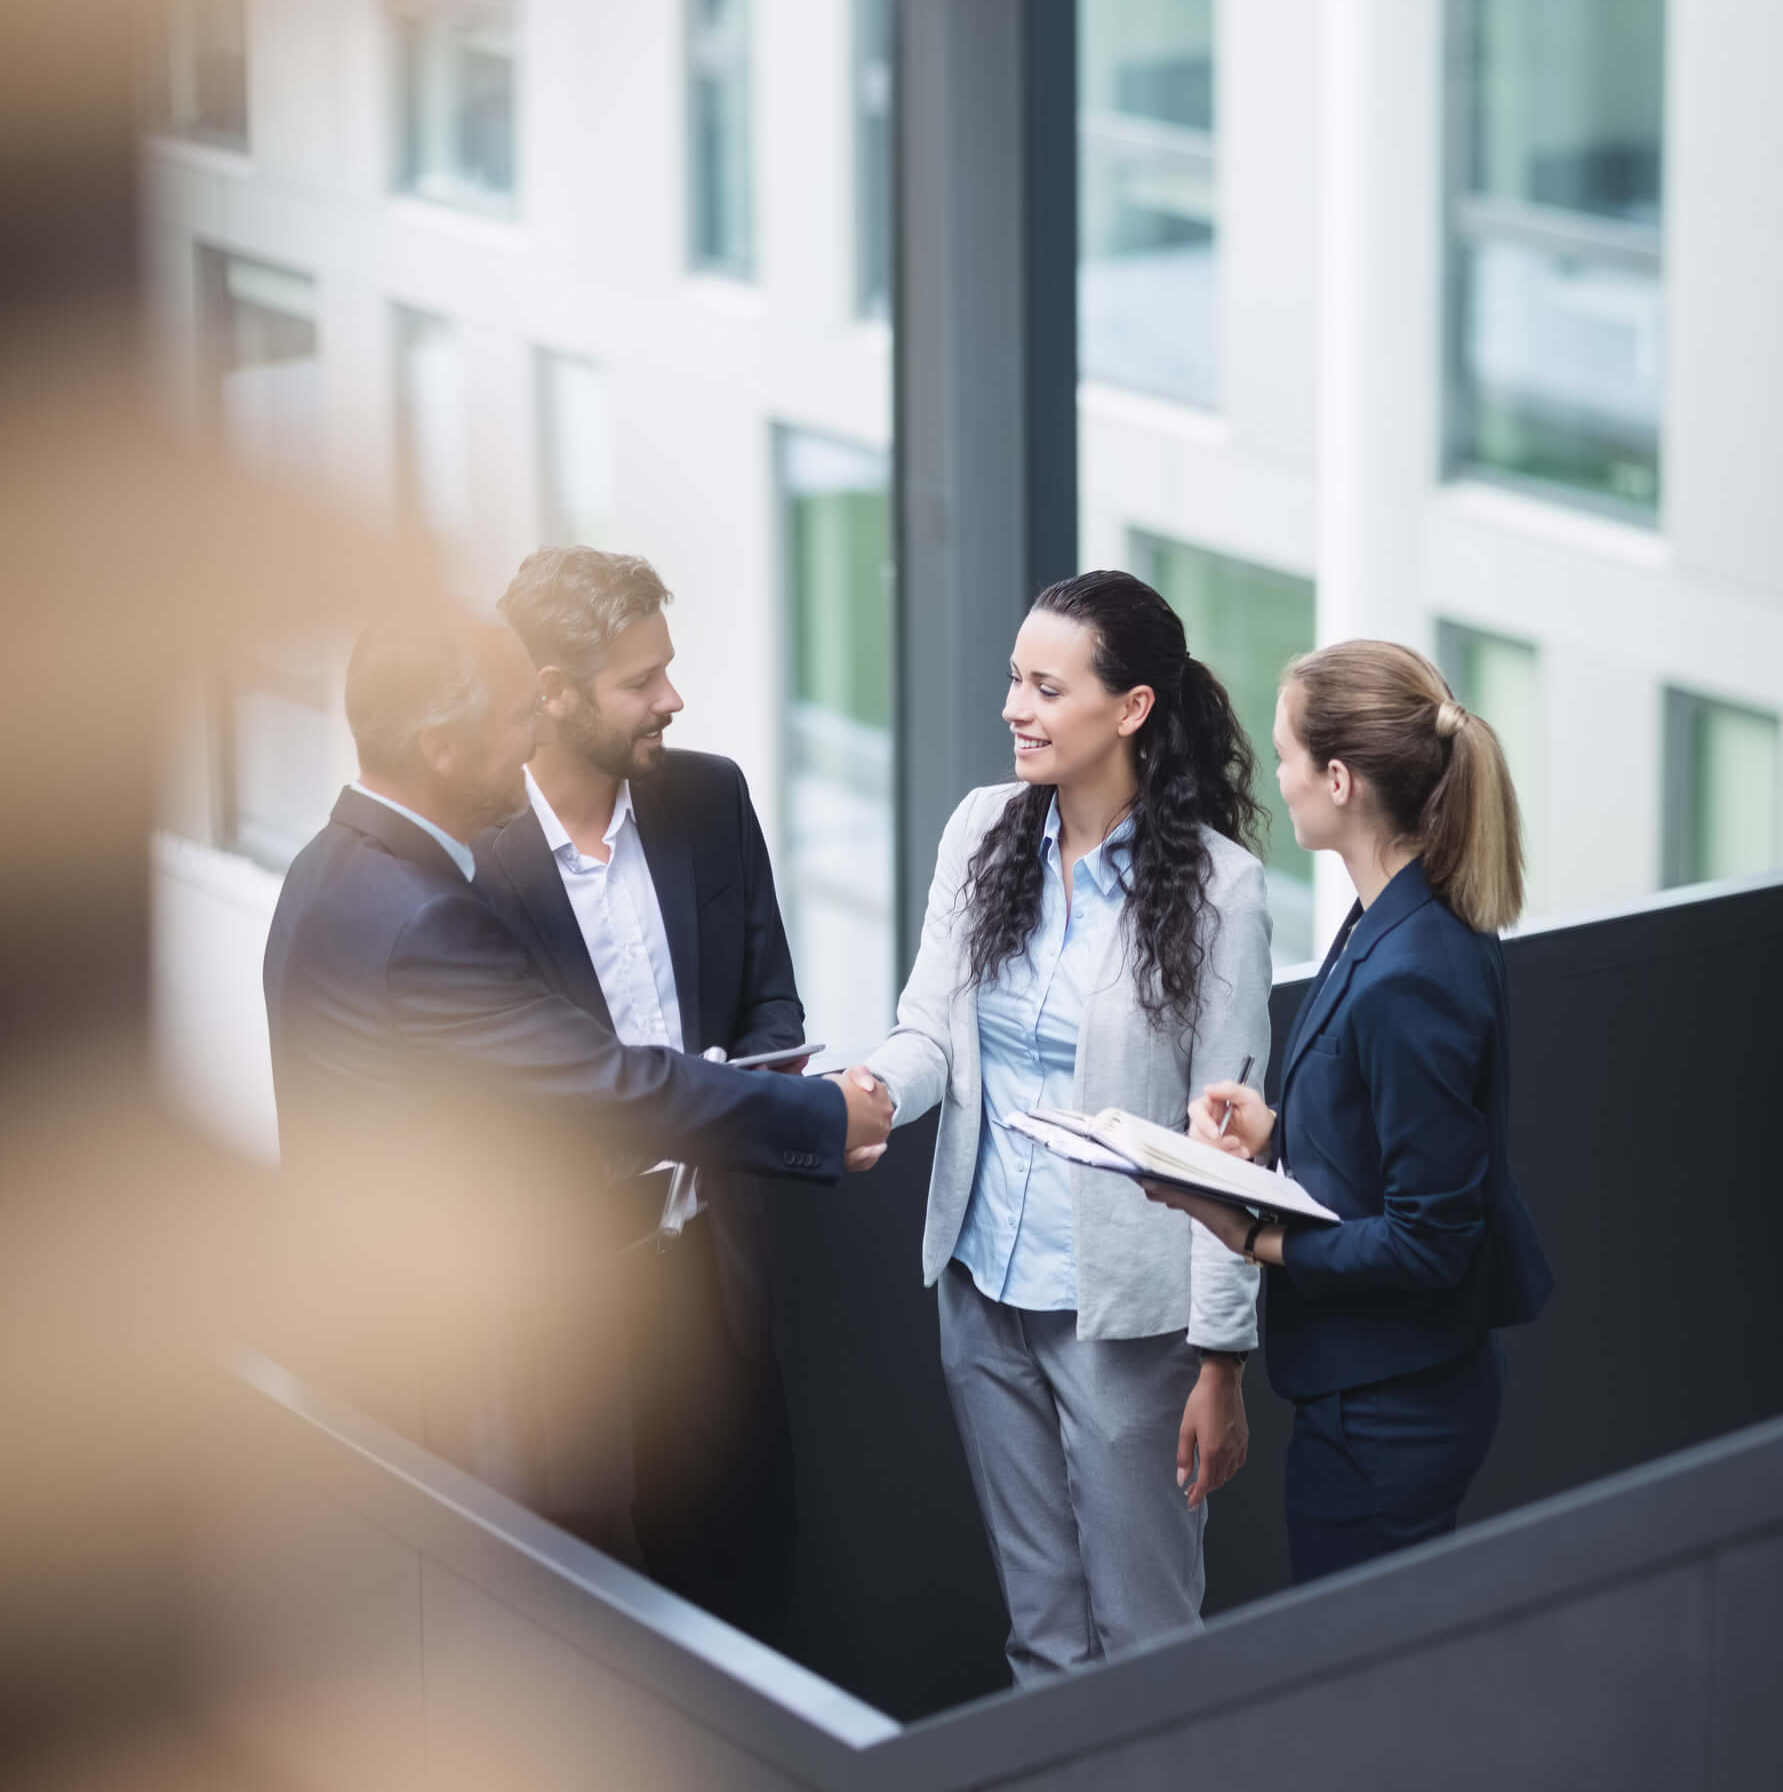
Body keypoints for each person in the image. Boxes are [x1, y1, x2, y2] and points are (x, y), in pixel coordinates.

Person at [262, 609, 892, 1545]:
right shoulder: (429, 921)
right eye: (518, 717)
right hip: (481, 1398)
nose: (534, 739)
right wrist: (820, 1114)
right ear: (440, 746)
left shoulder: (325, 873)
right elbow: (613, 1086)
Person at [858, 569, 1273, 1685]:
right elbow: (930, 1033)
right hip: (982, 1291)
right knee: (1040, 1633)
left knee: (1147, 1641)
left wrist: (1223, 1359)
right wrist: (866, 1097)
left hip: (1127, 1327)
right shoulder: (981, 829)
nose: (1014, 708)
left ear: (1132, 708)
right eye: (1012, 680)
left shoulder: (1221, 892)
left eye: (1047, 685)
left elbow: (1224, 1145)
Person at [1147, 639, 1554, 1584]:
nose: (1276, 775)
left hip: (1391, 1407)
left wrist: (1252, 1238)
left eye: (1287, 755)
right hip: (1374, 1389)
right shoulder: (1391, 916)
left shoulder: (1416, 965)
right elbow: (1394, 1130)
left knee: (1366, 1698)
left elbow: (1429, 1240)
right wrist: (1276, 1130)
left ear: (1340, 779)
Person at [477, 545, 810, 1644]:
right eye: (640, 681)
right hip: (561, 1321)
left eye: (667, 668)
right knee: (592, 1653)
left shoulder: (710, 800)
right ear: (554, 695)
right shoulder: (474, 867)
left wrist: (750, 1083)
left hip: (717, 1291)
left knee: (751, 1622)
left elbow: (774, 1012)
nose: (673, 698)